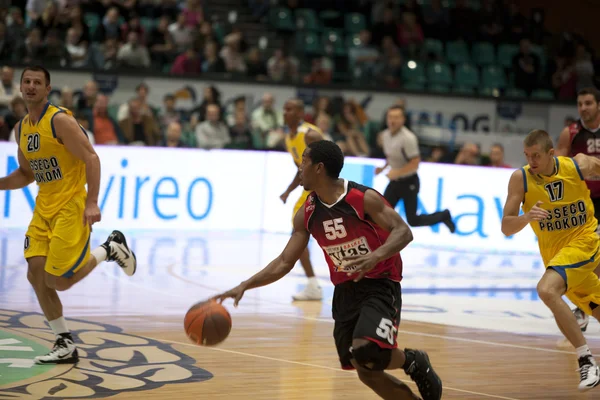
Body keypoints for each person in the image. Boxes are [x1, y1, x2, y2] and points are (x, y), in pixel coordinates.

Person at [215, 140, 443, 400]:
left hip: (380, 283)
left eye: (303, 161)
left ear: (319, 168)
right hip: (345, 291)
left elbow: (403, 231)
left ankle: (412, 360)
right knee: (365, 369)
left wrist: (375, 256)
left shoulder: (362, 198)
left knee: (369, 351)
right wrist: (246, 284)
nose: (299, 168)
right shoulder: (307, 213)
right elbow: (285, 262)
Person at [0, 66, 137, 364]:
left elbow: (91, 157)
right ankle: (64, 342)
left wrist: (92, 201)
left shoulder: (59, 121)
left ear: (48, 89)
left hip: (71, 206)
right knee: (35, 274)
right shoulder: (21, 128)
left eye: (38, 82)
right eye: (27, 82)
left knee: (57, 281)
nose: (31, 86)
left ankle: (109, 249)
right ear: (20, 88)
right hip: (43, 208)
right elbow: (26, 173)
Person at [501, 129, 600, 391]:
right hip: (557, 259)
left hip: (586, 242)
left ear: (551, 154)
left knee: (546, 289)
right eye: (527, 155)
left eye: (536, 155)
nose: (531, 161)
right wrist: (526, 218)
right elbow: (506, 227)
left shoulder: (576, 166)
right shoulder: (520, 179)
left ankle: (586, 360)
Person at [556, 87, 600, 333]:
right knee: (587, 258)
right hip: (582, 204)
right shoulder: (570, 133)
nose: (583, 108)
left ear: (598, 105)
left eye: (588, 103)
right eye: (580, 103)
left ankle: (585, 307)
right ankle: (584, 307)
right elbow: (559, 168)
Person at [376, 105, 455, 233]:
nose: (392, 120)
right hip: (395, 182)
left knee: (413, 220)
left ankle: (443, 215)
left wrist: (396, 172)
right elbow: (392, 155)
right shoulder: (385, 135)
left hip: (409, 182)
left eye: (396, 117)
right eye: (390, 117)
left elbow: (415, 162)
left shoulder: (408, 138)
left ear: (403, 120)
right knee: (382, 212)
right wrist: (383, 167)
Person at [279, 98, 324, 301]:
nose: (284, 112)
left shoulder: (311, 135)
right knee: (300, 236)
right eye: (284, 108)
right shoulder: (289, 138)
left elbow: (329, 162)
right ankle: (313, 284)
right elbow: (301, 171)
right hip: (307, 192)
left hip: (319, 191)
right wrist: (288, 191)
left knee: (298, 237)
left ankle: (314, 284)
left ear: (299, 113)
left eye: (289, 109)